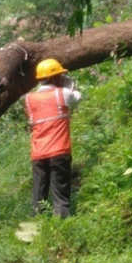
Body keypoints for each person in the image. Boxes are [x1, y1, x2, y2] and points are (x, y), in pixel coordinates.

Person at [22, 58, 81, 218]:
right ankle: (61, 223)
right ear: (56, 77)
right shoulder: (63, 94)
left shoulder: (29, 98)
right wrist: (70, 86)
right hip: (59, 151)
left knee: (38, 193)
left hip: (38, 153)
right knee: (60, 193)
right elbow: (77, 97)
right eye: (60, 75)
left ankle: (36, 224)